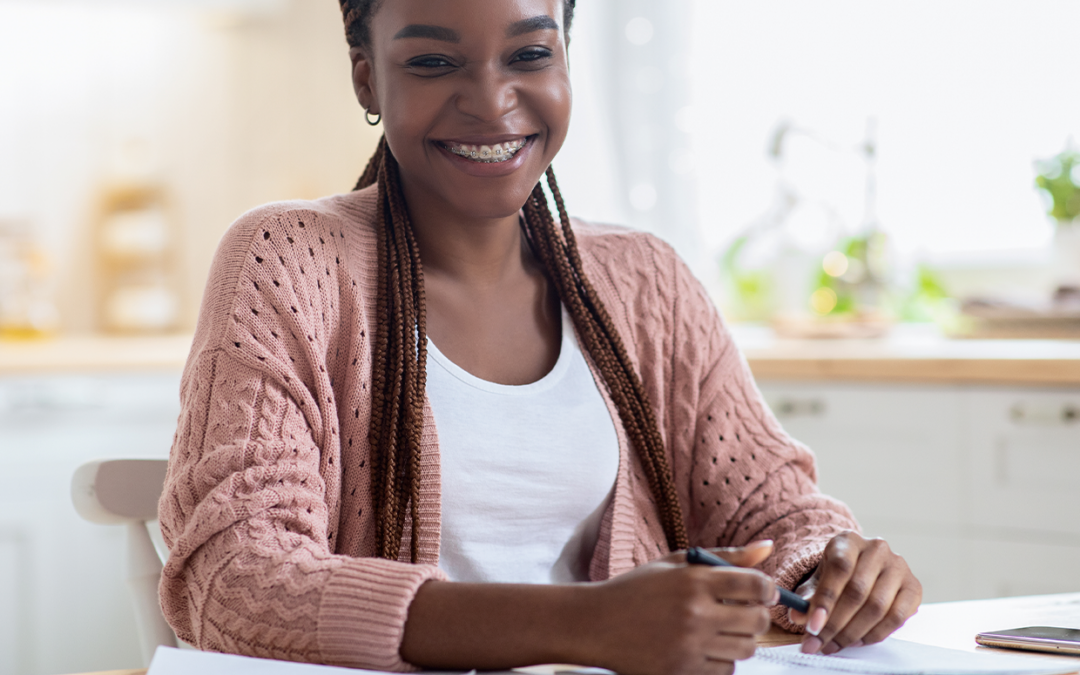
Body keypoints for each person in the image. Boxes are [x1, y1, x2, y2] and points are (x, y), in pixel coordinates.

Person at [158, 1, 922, 673]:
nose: (492, 102)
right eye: (432, 61)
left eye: (529, 54)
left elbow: (775, 509)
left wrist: (833, 566)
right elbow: (234, 577)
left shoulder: (646, 279)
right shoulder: (287, 259)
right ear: (366, 78)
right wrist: (588, 625)